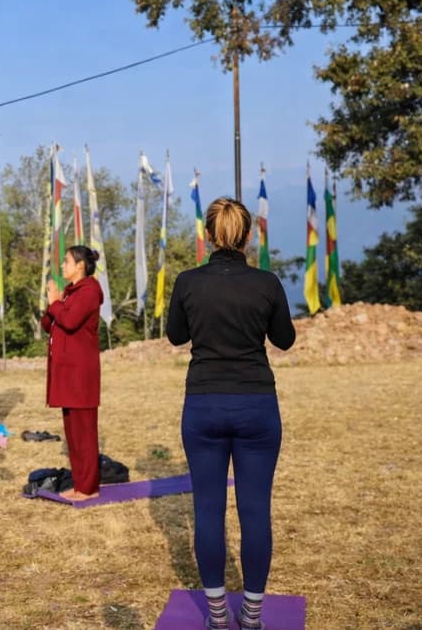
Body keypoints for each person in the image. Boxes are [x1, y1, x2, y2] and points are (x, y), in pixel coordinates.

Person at [166, 197, 295, 630]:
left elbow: (175, 335)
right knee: (255, 509)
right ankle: (252, 615)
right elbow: (284, 340)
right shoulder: (267, 282)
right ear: (248, 235)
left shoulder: (187, 281)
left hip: (203, 404)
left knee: (207, 509)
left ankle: (218, 615)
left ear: (207, 234)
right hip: (257, 403)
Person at [40, 245, 104, 502]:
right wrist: (52, 305)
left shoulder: (89, 290)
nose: (63, 266)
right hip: (66, 372)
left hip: (81, 372)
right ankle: (80, 484)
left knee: (84, 432)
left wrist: (56, 304)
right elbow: (50, 324)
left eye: (66, 261)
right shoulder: (70, 292)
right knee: (72, 433)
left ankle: (89, 488)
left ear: (80, 266)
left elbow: (69, 321)